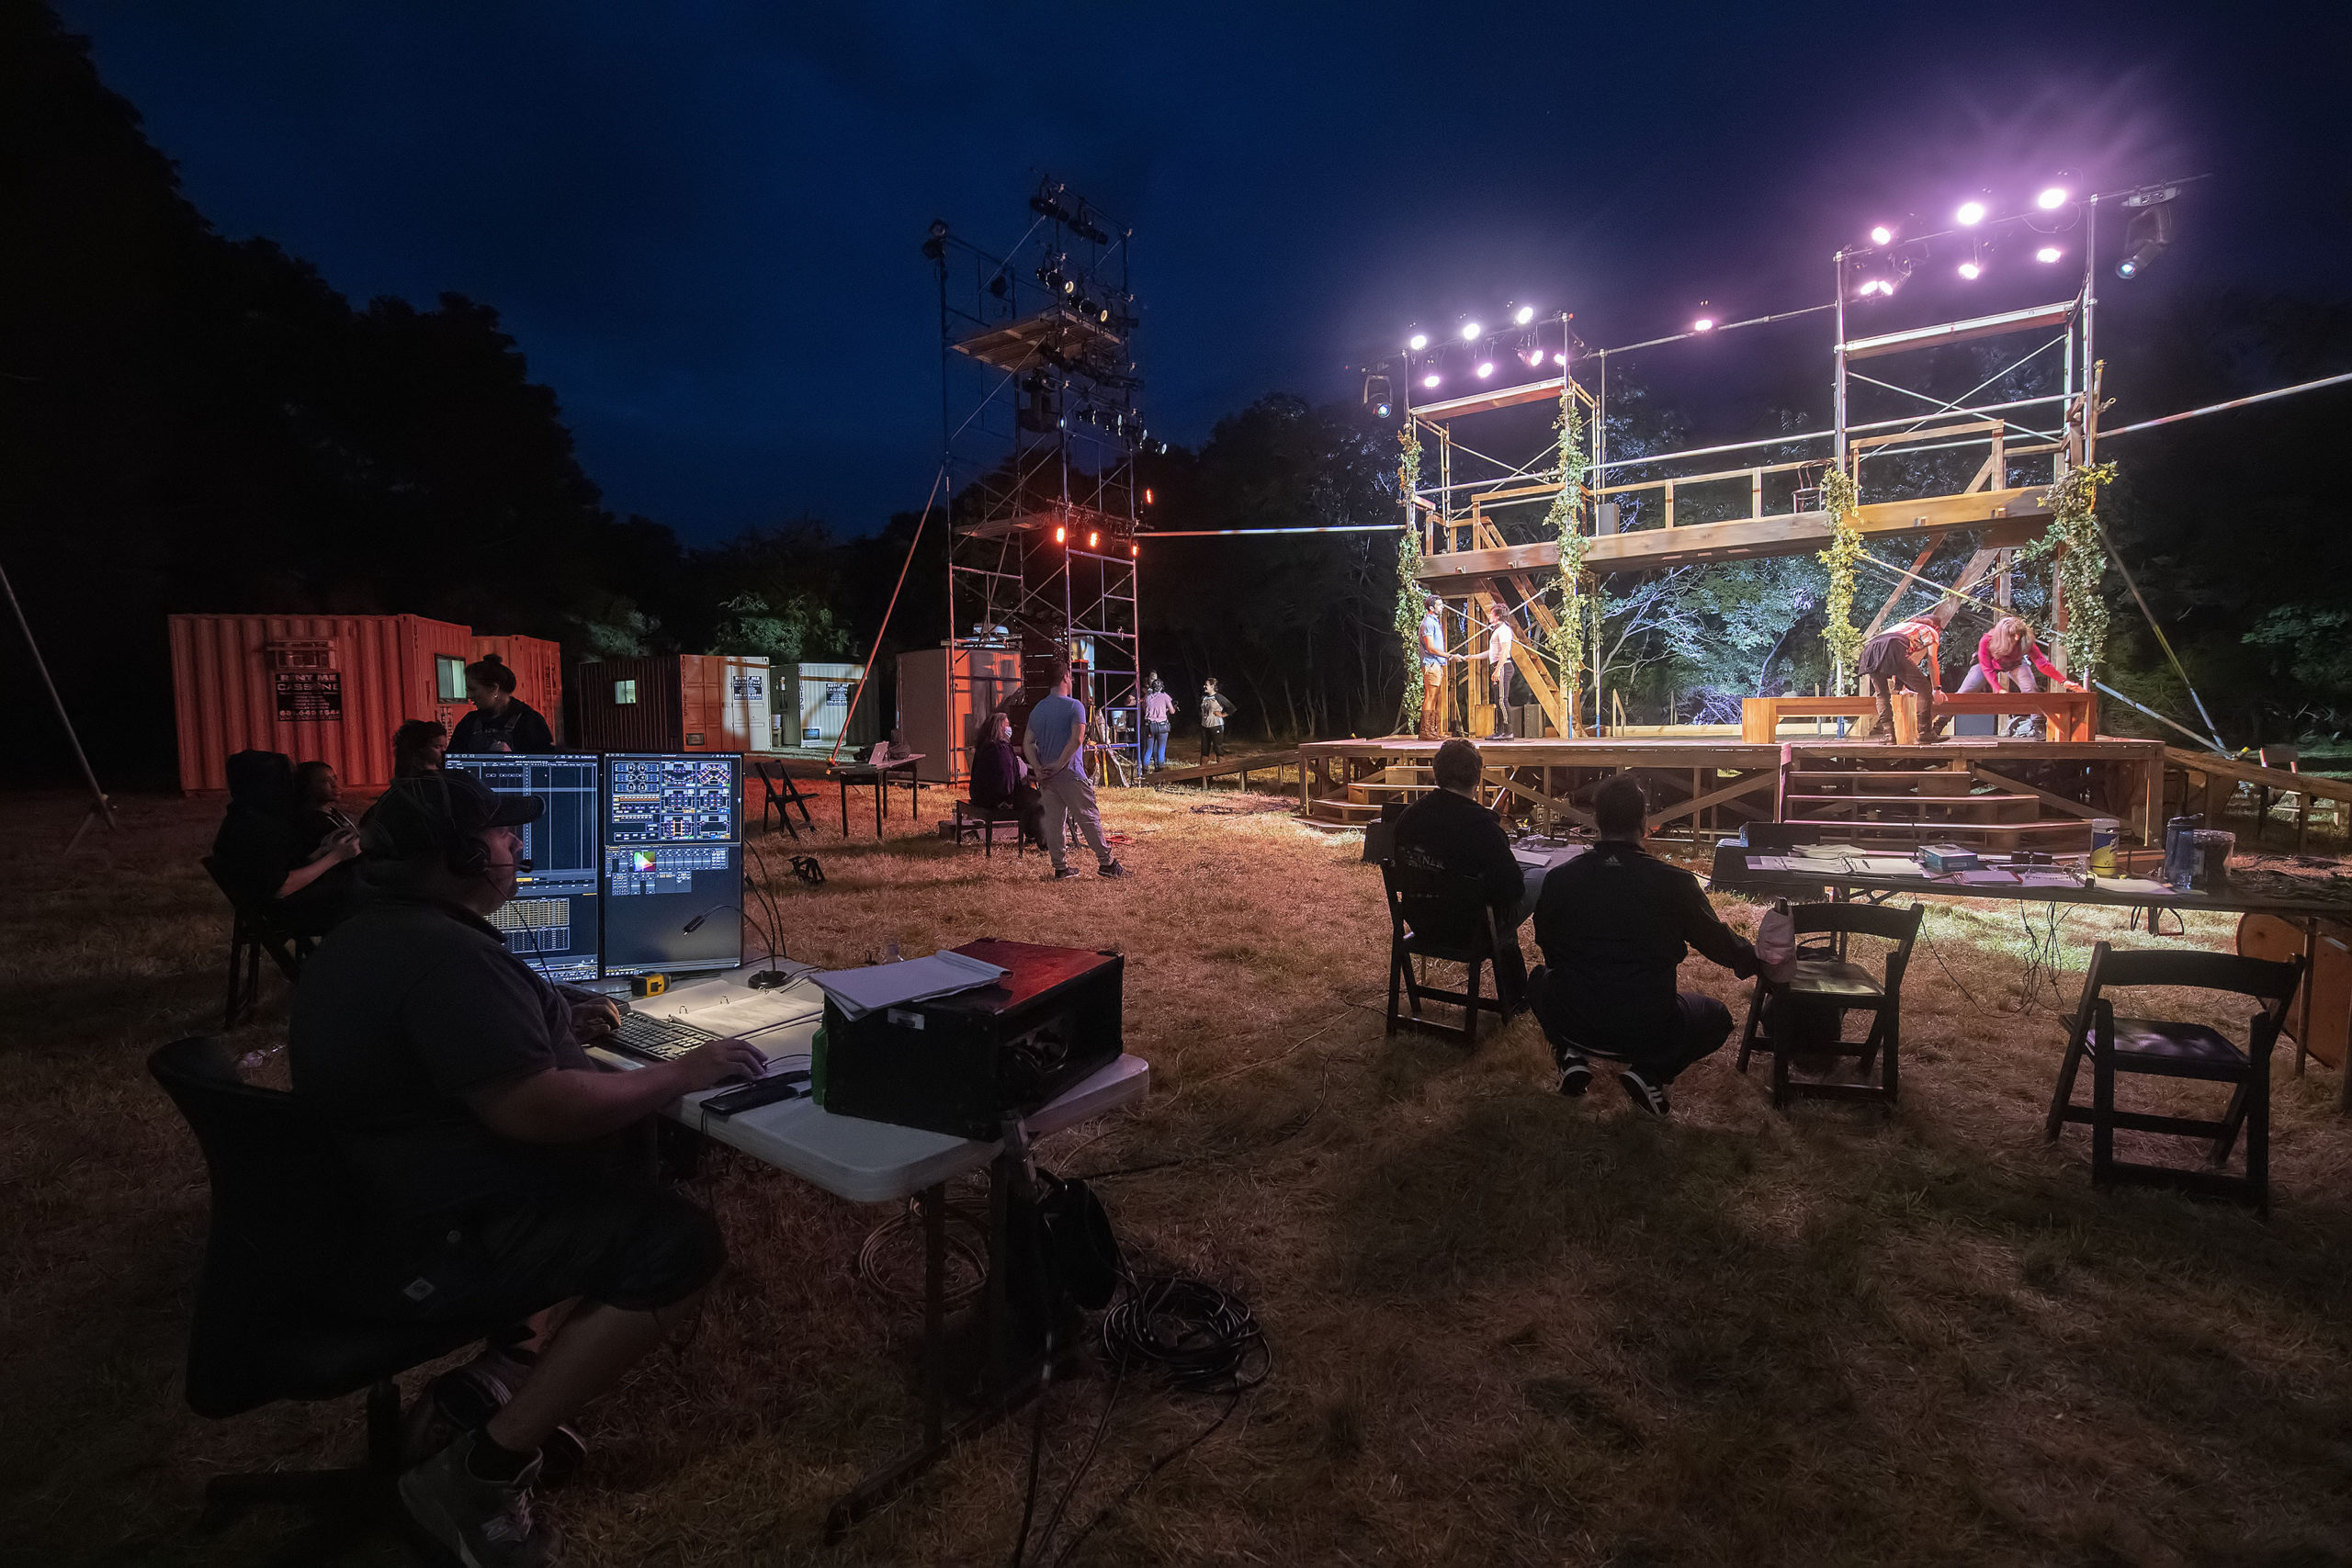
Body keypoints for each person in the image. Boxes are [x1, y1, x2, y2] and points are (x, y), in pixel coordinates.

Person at [291, 771, 763, 1565]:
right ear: (460, 853)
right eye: (504, 836)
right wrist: (680, 1072)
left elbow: (457, 1054)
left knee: (617, 1189)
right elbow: (535, 1110)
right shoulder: (443, 957)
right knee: (675, 1243)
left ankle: (504, 1369)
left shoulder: (376, 931)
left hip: (372, 1208)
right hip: (431, 1237)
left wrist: (547, 1017)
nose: (517, 847)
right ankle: (480, 1472)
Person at [1529, 774, 1758, 1115]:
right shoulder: (1674, 883)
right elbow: (1720, 945)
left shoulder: (1560, 879)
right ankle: (1650, 1071)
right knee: (1718, 1018)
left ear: (1596, 820)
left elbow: (1548, 942)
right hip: (1648, 1027)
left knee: (1538, 980)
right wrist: (1759, 959)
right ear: (1643, 821)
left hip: (1573, 1016)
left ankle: (1571, 1053)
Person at [1390, 738, 1528, 1010]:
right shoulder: (1482, 826)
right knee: (1534, 883)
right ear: (1476, 777)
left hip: (1421, 920)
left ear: (1437, 772)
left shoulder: (1408, 818)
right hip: (1468, 929)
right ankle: (1520, 996)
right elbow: (1513, 890)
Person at [210, 750, 362, 938]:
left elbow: (272, 867)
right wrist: (335, 856)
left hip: (274, 908)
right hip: (285, 913)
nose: (293, 787)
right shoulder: (255, 827)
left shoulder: (244, 817)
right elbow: (281, 887)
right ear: (267, 785)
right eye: (286, 779)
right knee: (375, 898)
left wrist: (321, 853)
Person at [1023, 660, 1131, 881]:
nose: (1072, 680)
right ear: (1065, 677)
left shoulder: (1038, 709)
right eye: (1070, 676)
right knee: (1089, 818)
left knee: (1054, 822)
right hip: (1071, 774)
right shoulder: (1075, 706)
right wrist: (1060, 763)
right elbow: (1077, 739)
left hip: (1047, 778)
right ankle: (1106, 863)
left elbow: (1028, 743)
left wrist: (1037, 767)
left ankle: (1060, 867)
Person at [1858, 599, 1959, 741]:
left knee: (1882, 695)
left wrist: (1902, 687)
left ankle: (1889, 736)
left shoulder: (1905, 626)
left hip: (1870, 649)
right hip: (1892, 646)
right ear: (1937, 628)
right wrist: (1936, 689)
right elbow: (1932, 661)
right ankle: (1925, 733)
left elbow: (1897, 661)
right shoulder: (1930, 631)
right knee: (1924, 688)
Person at [970, 709, 1046, 850]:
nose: (1010, 728)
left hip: (981, 796)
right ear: (1000, 727)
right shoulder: (1000, 749)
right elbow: (1005, 779)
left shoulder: (985, 746)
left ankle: (1032, 835)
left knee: (1031, 797)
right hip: (998, 798)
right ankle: (1044, 841)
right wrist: (1006, 800)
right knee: (1040, 801)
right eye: (1007, 725)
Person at [449, 655, 555, 755]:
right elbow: (450, 763)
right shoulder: (469, 722)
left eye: (473, 689)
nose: (469, 696)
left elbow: (547, 767)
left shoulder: (530, 721)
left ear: (494, 689)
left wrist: (512, 759)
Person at [1418, 601, 1449, 740]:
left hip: (1436, 663)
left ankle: (1431, 730)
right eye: (1439, 605)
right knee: (1430, 696)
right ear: (1431, 608)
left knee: (1434, 697)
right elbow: (1430, 647)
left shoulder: (1434, 622)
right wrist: (1447, 655)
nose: (1442, 607)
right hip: (1431, 663)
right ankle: (1425, 732)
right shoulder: (1428, 623)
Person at [1486, 603, 1517, 738]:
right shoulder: (1497, 630)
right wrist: (1472, 657)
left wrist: (1498, 670)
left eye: (1491, 613)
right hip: (1497, 665)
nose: (1489, 616)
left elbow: (1505, 652)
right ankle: (1499, 731)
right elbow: (1492, 653)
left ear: (1497, 616)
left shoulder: (1504, 630)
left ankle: (1507, 731)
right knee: (1498, 700)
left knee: (1502, 700)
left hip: (1503, 666)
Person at [1141, 676, 1174, 772]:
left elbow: (1145, 709)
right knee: (1161, 749)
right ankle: (1160, 770)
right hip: (1162, 725)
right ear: (1162, 687)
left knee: (1149, 749)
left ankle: (1145, 771)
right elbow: (1172, 711)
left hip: (1150, 726)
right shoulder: (1165, 696)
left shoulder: (1147, 697)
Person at [1198, 678, 1233, 762]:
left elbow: (1231, 708)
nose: (1204, 686)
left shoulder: (1219, 697)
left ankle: (1221, 769)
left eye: (1206, 685)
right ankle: (1202, 772)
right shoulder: (1203, 698)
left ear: (1212, 686)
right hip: (1205, 726)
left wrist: (1222, 715)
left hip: (1216, 725)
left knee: (1218, 749)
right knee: (1204, 750)